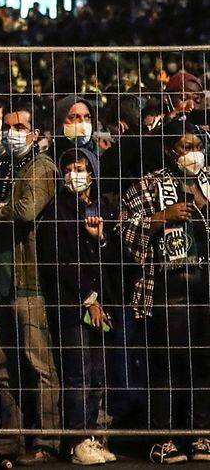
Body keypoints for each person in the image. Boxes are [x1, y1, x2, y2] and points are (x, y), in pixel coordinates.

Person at [0, 101, 61, 465]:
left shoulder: (42, 168)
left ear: (36, 132)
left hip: (28, 280)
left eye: (19, 126)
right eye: (8, 126)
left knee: (39, 364)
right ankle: (10, 437)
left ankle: (47, 440)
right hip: (0, 278)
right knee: (1, 365)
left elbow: (25, 211)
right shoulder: (6, 168)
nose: (11, 133)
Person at [120, 128, 210, 464]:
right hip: (166, 288)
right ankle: (164, 437)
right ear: (171, 150)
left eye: (199, 146)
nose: (194, 152)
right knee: (166, 365)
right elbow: (124, 231)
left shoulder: (208, 181)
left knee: (203, 363)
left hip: (205, 286)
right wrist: (161, 217)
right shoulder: (148, 185)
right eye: (187, 146)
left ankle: (201, 434)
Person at [37, 148, 116, 465]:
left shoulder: (102, 209)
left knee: (97, 373)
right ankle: (78, 438)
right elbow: (60, 262)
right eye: (69, 167)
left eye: (81, 167)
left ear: (93, 173)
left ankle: (92, 435)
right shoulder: (58, 210)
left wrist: (99, 238)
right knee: (78, 373)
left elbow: (110, 258)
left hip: (101, 302)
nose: (74, 173)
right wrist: (90, 298)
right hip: (73, 305)